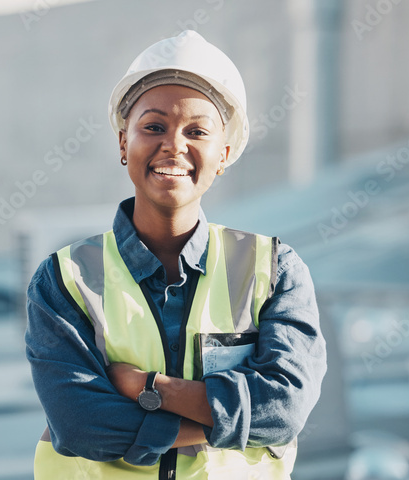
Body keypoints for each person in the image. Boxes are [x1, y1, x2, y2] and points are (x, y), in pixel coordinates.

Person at [25, 30, 327, 479]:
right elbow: (81, 426)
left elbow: (282, 411)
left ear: (223, 154)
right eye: (153, 126)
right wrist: (225, 420)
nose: (174, 145)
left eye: (197, 131)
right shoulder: (65, 278)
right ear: (123, 143)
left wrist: (150, 389)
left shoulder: (274, 271)